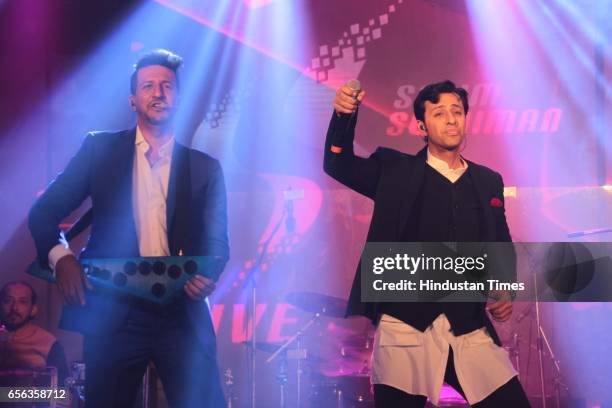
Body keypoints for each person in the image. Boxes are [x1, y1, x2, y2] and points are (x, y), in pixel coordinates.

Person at [28, 49, 229, 408]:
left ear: (179, 97)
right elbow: (44, 213)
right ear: (133, 99)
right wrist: (62, 259)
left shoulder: (205, 168)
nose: (158, 93)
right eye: (148, 86)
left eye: (167, 86)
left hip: (182, 310)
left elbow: (218, 244)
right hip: (114, 311)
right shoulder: (99, 149)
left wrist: (208, 274)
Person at [324, 80, 531, 407]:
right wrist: (342, 116)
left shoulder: (488, 180)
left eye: (457, 111)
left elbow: (499, 241)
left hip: (468, 324)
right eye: (439, 113)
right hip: (406, 324)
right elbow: (338, 163)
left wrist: (504, 288)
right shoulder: (395, 170)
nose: (451, 119)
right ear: (422, 126)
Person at [0, 281, 69, 385]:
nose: (14, 308)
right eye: (8, 300)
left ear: (33, 309)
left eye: (22, 302)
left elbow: (63, 394)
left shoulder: (48, 343)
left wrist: (8, 395)